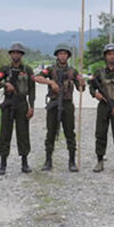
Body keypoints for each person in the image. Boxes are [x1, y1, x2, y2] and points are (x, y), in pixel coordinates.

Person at [35, 43, 85, 172]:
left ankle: (72, 161)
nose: (62, 56)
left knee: (70, 133)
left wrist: (81, 83)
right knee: (50, 132)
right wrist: (50, 82)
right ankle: (48, 160)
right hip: (54, 103)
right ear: (57, 55)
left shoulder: (73, 71)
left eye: (65, 54)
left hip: (67, 104)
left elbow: (81, 89)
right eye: (60, 53)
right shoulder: (51, 70)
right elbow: (37, 77)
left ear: (68, 56)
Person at [0, 42, 36, 175]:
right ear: (10, 54)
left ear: (21, 55)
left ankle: (24, 162)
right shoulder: (5, 69)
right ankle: (3, 163)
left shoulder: (27, 70)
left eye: (18, 53)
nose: (16, 55)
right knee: (5, 133)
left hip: (22, 104)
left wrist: (31, 106)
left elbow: (32, 89)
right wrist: (6, 84)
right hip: (9, 103)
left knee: (23, 133)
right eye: (13, 53)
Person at [88, 43, 114, 173]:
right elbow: (91, 86)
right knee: (101, 133)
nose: (111, 56)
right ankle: (100, 160)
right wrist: (95, 94)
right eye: (109, 54)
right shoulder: (99, 72)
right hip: (104, 107)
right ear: (105, 56)